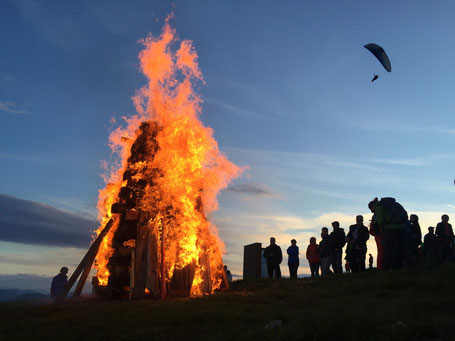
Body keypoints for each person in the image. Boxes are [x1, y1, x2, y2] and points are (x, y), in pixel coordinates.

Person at [368, 197, 408, 269]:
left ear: (373, 206)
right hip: (401, 227)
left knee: (389, 249)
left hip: (390, 229)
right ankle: (404, 265)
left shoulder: (379, 207)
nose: (373, 212)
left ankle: (389, 267)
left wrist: (381, 229)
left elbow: (380, 221)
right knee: (401, 247)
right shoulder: (394, 204)